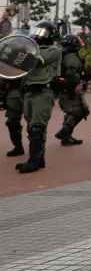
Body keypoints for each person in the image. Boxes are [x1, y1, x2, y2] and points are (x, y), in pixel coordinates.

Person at [15, 21, 62, 173]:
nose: (37, 34)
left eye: (42, 32)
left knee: (37, 127)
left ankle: (33, 161)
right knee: (31, 127)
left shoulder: (53, 50)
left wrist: (19, 52)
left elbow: (36, 61)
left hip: (43, 91)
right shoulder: (32, 48)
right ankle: (39, 158)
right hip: (29, 91)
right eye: (37, 31)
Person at [52, 34, 91, 146]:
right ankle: (64, 132)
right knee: (82, 110)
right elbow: (72, 72)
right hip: (70, 88)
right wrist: (77, 83)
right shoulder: (71, 55)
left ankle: (66, 136)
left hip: (63, 86)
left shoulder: (61, 53)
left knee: (70, 111)